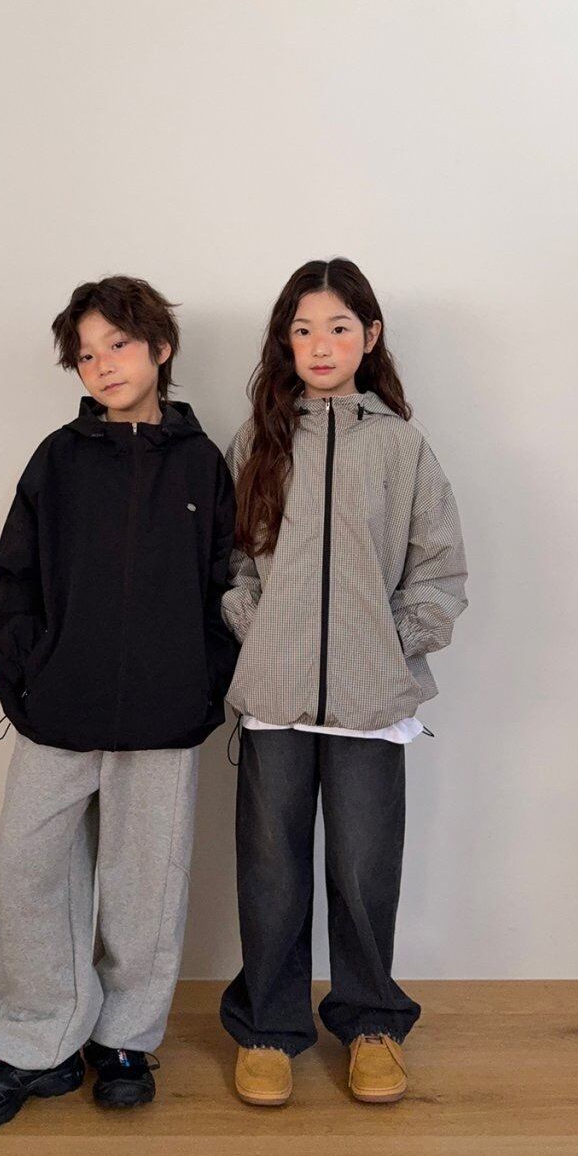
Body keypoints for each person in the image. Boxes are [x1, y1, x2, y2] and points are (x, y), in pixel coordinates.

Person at [0, 275, 238, 1129]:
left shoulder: (202, 465)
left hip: (163, 718)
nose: (102, 364)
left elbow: (225, 587)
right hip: (58, 712)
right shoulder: (58, 461)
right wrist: (27, 678)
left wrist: (202, 688)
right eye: (85, 354)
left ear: (161, 349)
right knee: (31, 873)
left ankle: (124, 1042)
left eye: (118, 344)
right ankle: (35, 1044)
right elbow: (13, 579)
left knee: (146, 887)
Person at [219, 257, 467, 1107]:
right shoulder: (258, 441)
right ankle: (269, 1029)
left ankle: (370, 1024)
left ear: (370, 335)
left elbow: (439, 569)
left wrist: (390, 649)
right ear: (284, 342)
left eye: (336, 327)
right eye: (302, 329)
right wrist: (259, 634)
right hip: (275, 700)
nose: (319, 345)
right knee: (271, 873)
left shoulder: (401, 447)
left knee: (364, 873)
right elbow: (231, 565)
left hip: (370, 703)